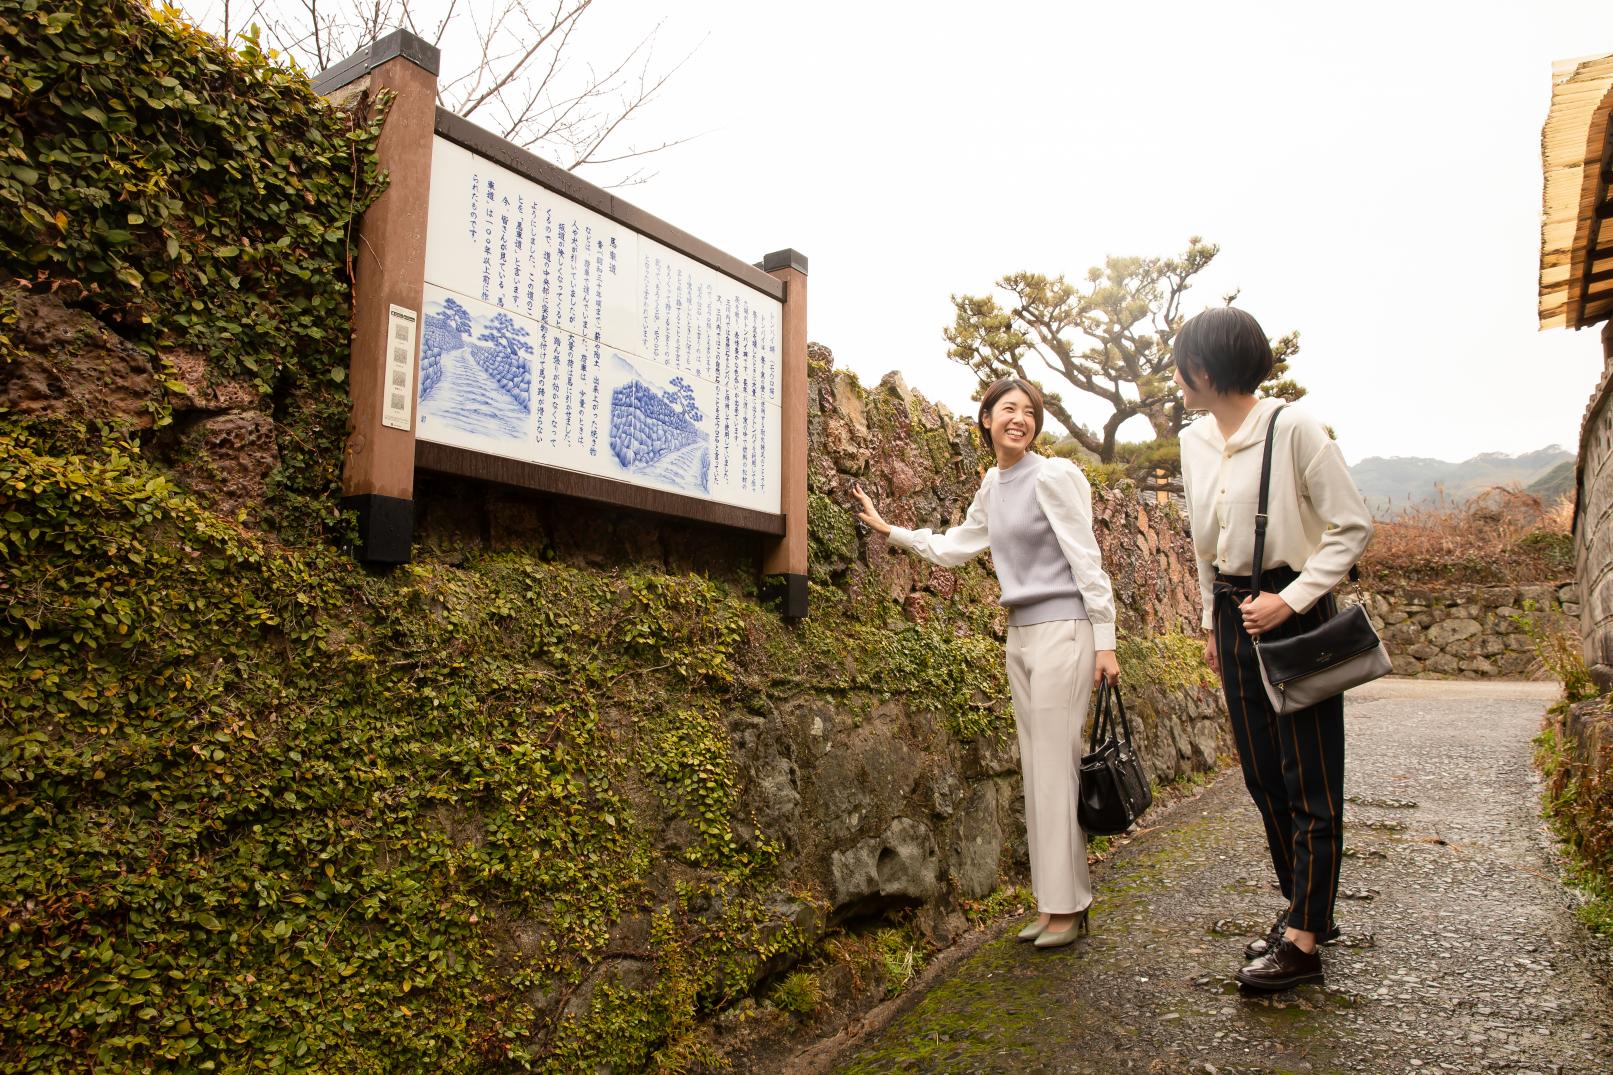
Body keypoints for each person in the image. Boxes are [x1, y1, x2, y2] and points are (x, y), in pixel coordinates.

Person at [852, 376, 1119, 950]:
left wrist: (1106, 640)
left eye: (1029, 411)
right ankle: (1054, 906)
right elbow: (956, 546)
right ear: (986, 420)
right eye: (1007, 409)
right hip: (1021, 636)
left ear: (1036, 424)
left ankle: (1069, 907)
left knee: (1055, 770)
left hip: (1064, 631)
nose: (1018, 418)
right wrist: (890, 530)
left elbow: (1087, 559)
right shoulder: (993, 485)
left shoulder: (1054, 476)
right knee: (1035, 770)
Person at [1173, 307, 1373, 990]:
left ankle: (1305, 941)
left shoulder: (1295, 429)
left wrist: (1291, 597)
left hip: (1296, 608)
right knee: (1262, 774)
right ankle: (1304, 907)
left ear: (1202, 370)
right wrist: (1209, 621)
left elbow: (1350, 526)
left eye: (1180, 364)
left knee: (1309, 776)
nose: (1176, 376)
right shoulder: (1193, 441)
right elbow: (1203, 545)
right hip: (1233, 614)